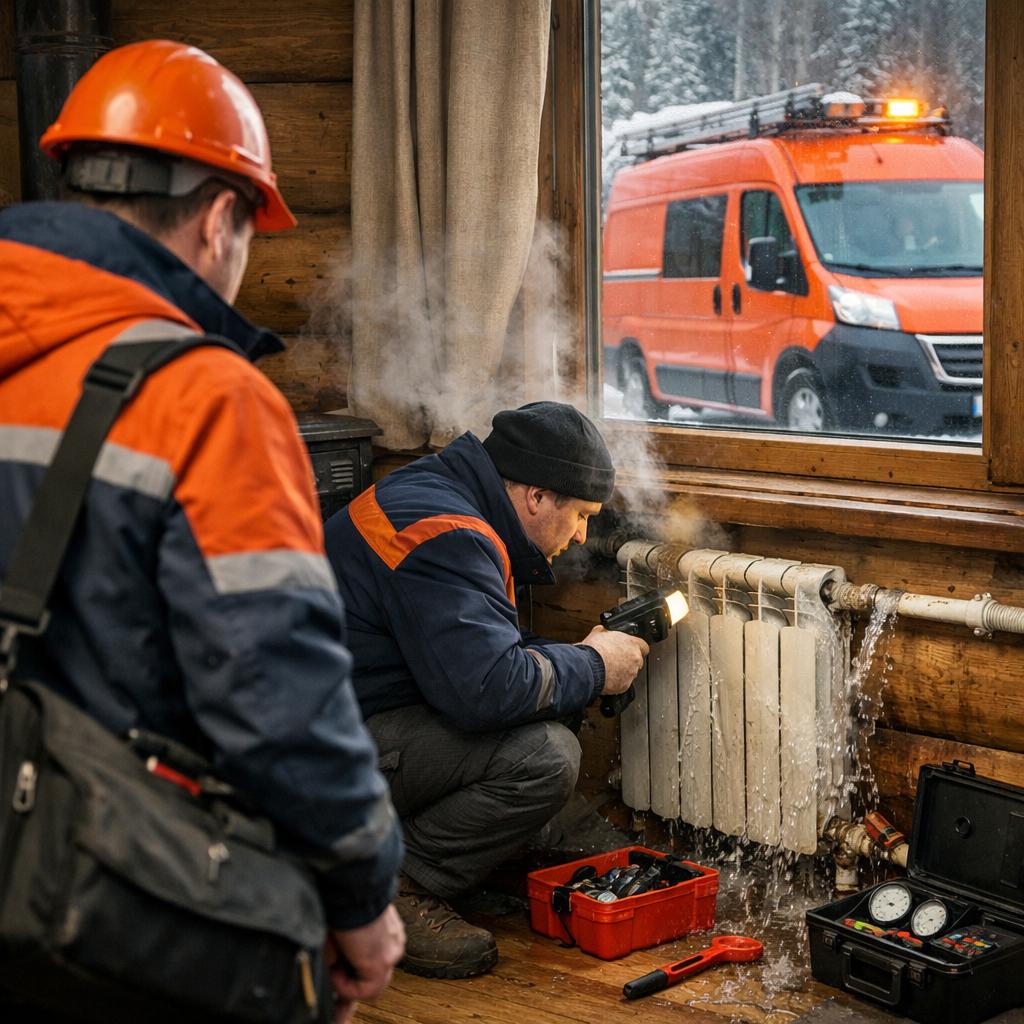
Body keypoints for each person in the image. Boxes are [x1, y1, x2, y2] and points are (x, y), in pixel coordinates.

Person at [0, 41, 404, 1023]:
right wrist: (359, 899)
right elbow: (277, 695)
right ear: (222, 218)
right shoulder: (208, 398)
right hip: (116, 904)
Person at [323, 401, 649, 979]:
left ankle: (497, 844)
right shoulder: (448, 535)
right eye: (580, 516)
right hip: (321, 754)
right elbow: (484, 691)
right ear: (537, 497)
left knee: (552, 694)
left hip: (352, 715)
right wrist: (595, 666)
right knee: (546, 757)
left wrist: (575, 661)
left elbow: (477, 653)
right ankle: (393, 884)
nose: (580, 537)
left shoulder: (442, 492)